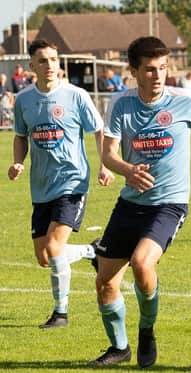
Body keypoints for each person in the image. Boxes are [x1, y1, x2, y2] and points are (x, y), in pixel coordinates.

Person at [90, 36, 191, 368]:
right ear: (134, 71)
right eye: (150, 70)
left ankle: (147, 329)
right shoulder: (120, 103)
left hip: (169, 203)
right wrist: (128, 170)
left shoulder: (185, 100)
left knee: (141, 263)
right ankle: (119, 348)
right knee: (105, 281)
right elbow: (108, 154)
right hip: (130, 203)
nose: (158, 76)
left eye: (163, 68)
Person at [7, 39, 114, 328]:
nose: (50, 65)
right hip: (41, 186)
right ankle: (93, 251)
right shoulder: (25, 100)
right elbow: (20, 136)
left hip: (73, 181)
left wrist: (105, 163)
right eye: (43, 60)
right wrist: (19, 162)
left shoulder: (76, 96)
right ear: (32, 66)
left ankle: (61, 313)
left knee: (54, 249)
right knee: (44, 257)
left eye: (54, 59)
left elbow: (99, 130)